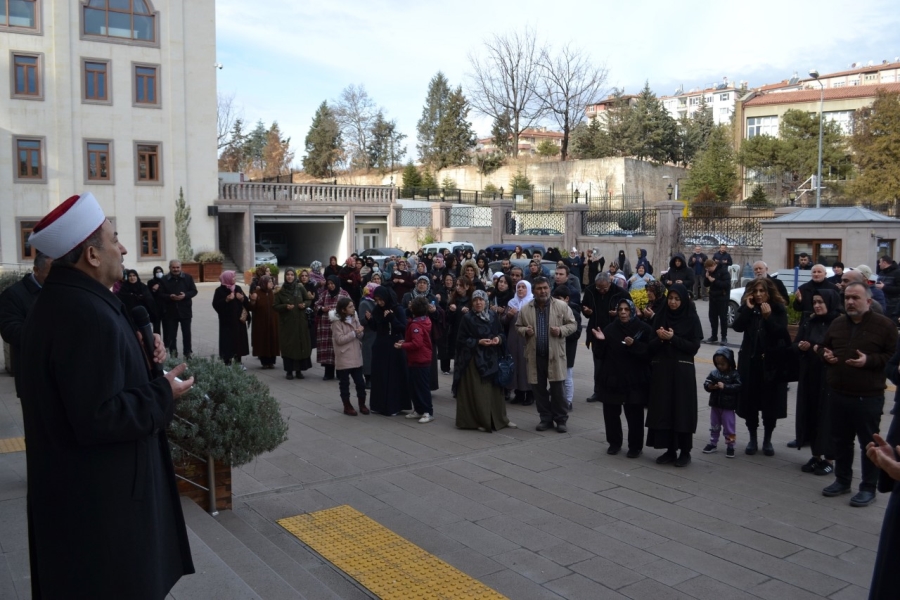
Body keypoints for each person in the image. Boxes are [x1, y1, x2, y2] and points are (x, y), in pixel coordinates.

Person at [20, 191, 194, 598]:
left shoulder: (70, 302)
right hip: (103, 509)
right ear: (92, 256)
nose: (124, 248)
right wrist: (163, 392)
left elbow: (95, 382)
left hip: (81, 500)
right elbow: (99, 414)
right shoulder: (84, 314)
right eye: (114, 239)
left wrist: (143, 359)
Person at [818, 282, 897, 507]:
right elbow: (824, 347)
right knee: (841, 440)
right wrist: (826, 356)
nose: (850, 302)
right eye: (847, 298)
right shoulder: (838, 323)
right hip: (838, 393)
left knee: (869, 444)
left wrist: (869, 361)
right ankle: (842, 480)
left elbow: (892, 357)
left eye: (856, 298)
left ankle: (868, 487)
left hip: (867, 396)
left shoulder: (885, 326)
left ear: (869, 301)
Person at [732, 277, 791, 456]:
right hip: (750, 362)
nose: (758, 295)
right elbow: (737, 327)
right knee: (750, 401)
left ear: (768, 292)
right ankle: (752, 438)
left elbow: (782, 333)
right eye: (755, 291)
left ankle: (767, 439)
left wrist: (768, 318)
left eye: (762, 291)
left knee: (770, 403)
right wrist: (748, 311)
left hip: (771, 364)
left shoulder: (777, 308)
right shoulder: (748, 308)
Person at [646, 283, 703, 466]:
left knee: (682, 410)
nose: (673, 302)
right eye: (670, 298)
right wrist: (661, 339)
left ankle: (685, 452)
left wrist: (673, 339)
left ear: (683, 300)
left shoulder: (691, 318)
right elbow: (650, 345)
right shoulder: (661, 316)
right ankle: (670, 450)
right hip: (663, 370)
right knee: (665, 409)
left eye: (677, 299)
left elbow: (693, 347)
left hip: (682, 372)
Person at [591, 298, 653, 457]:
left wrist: (634, 345)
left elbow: (649, 354)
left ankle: (635, 446)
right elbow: (600, 355)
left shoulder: (643, 329)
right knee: (611, 413)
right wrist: (600, 341)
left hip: (635, 380)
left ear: (632, 311)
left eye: (626, 309)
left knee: (635, 415)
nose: (623, 312)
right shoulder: (610, 329)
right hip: (613, 378)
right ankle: (614, 442)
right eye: (620, 310)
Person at [516, 277, 577, 433]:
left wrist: (561, 331)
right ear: (534, 291)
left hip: (555, 355)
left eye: (545, 288)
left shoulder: (561, 306)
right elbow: (518, 326)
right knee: (539, 390)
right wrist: (525, 331)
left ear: (549, 289)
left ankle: (561, 419)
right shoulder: (526, 309)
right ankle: (545, 419)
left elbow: (573, 324)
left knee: (558, 390)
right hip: (535, 356)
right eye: (539, 288)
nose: (542, 291)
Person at [793, 289, 840, 475]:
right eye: (814, 302)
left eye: (821, 302)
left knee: (827, 417)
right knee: (810, 413)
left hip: (829, 378)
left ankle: (829, 458)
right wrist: (801, 347)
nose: (817, 305)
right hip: (810, 375)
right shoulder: (810, 321)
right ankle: (816, 456)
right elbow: (796, 344)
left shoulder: (838, 322)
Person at [455, 290, 515, 432]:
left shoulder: (493, 316)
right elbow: (460, 340)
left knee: (495, 392)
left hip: (492, 358)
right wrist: (478, 342)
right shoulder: (467, 318)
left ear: (486, 301)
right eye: (475, 300)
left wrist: (498, 339)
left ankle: (501, 419)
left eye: (481, 300)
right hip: (474, 361)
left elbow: (501, 333)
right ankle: (479, 421)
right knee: (479, 392)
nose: (478, 302)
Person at [0, 251, 50, 396]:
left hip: (58, 375)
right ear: (36, 270)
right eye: (49, 274)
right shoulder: (13, 295)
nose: (55, 279)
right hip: (33, 377)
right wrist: (49, 334)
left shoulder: (59, 291)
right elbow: (10, 331)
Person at [582, 272, 630, 403]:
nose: (601, 291)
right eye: (599, 288)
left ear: (610, 283)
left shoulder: (620, 292)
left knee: (616, 363)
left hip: (615, 333)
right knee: (599, 364)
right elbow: (584, 306)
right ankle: (598, 391)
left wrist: (618, 313)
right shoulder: (590, 291)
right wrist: (586, 311)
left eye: (604, 288)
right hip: (596, 333)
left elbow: (629, 308)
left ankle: (618, 391)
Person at [367, 286, 411, 416]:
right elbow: (376, 326)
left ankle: (394, 405)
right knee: (380, 376)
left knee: (393, 376)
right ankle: (379, 404)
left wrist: (392, 318)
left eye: (381, 300)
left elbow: (403, 328)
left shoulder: (397, 309)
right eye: (377, 300)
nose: (379, 303)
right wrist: (370, 320)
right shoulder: (377, 309)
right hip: (380, 346)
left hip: (394, 346)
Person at [396, 296, 435, 423]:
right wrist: (406, 341)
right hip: (417, 359)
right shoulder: (424, 321)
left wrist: (403, 345)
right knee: (415, 386)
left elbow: (417, 344)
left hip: (420, 360)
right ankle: (419, 409)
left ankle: (427, 411)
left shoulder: (415, 325)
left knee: (421, 387)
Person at [273, 268, 314, 380]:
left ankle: (299, 371)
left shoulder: (300, 287)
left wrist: (304, 305)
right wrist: (285, 307)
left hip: (301, 323)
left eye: (292, 275)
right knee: (289, 346)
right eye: (288, 275)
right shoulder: (281, 291)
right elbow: (275, 306)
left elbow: (308, 299)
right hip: (287, 324)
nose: (290, 277)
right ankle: (289, 371)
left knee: (300, 345)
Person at [330, 296, 368, 416]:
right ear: (343, 310)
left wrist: (360, 332)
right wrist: (354, 333)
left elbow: (360, 336)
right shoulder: (337, 322)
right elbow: (339, 339)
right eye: (350, 307)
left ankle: (362, 404)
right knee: (344, 383)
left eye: (353, 306)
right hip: (344, 356)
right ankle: (347, 406)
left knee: (360, 383)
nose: (353, 308)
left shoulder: (354, 318)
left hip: (356, 355)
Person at [702, 347, 742, 458]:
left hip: (728, 406)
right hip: (715, 405)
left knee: (729, 427)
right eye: (718, 364)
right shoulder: (714, 373)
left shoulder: (734, 374)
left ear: (729, 362)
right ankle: (713, 442)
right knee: (714, 425)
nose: (720, 366)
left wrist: (725, 387)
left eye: (723, 364)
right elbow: (707, 382)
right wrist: (710, 386)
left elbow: (738, 386)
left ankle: (730, 445)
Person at [157, 259, 197, 358]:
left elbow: (194, 291)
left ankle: (187, 353)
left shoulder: (188, 278)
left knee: (187, 334)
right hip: (170, 311)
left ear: (181, 267)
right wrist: (170, 296)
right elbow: (160, 294)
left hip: (185, 310)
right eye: (173, 267)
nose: (176, 269)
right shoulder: (164, 279)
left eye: (177, 267)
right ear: (170, 268)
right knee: (171, 335)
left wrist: (186, 295)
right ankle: (173, 354)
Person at [552, 285, 582, 412]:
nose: (556, 302)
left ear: (567, 299)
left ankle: (568, 401)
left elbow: (576, 333)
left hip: (568, 349)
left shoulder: (573, 313)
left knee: (567, 376)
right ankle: (558, 399)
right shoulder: (553, 311)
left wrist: (560, 332)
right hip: (555, 348)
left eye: (559, 298)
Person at [211, 270, 250, 367]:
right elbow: (216, 304)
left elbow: (246, 302)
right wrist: (226, 300)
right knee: (227, 341)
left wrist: (242, 299)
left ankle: (238, 362)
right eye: (233, 277)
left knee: (239, 341)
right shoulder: (220, 291)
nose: (235, 279)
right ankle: (227, 362)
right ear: (227, 278)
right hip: (227, 323)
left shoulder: (238, 288)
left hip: (239, 321)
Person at [314, 275, 350, 380]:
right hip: (326, 325)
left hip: (339, 326)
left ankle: (341, 372)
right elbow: (316, 305)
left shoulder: (344, 294)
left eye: (332, 283)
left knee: (339, 348)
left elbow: (350, 307)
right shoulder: (324, 294)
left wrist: (341, 312)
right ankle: (328, 373)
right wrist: (322, 309)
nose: (330, 286)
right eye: (328, 284)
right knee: (328, 349)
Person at [506, 280, 534, 405]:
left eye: (523, 287)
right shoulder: (512, 303)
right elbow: (503, 322)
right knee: (516, 366)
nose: (520, 289)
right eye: (518, 287)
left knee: (527, 367)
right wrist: (508, 316)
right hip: (513, 338)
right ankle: (518, 393)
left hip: (527, 339)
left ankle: (530, 394)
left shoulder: (532, 303)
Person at [446, 275, 475, 382]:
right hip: (456, 333)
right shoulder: (453, 299)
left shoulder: (472, 300)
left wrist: (470, 312)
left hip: (469, 334)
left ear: (467, 287)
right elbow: (448, 319)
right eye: (457, 285)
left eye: (460, 285)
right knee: (458, 360)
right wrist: (452, 311)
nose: (457, 287)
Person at [249, 275, 280, 369]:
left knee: (273, 339)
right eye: (269, 281)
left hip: (273, 322)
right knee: (263, 340)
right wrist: (253, 301)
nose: (271, 283)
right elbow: (251, 308)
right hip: (261, 323)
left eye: (272, 281)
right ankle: (264, 362)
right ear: (263, 283)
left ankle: (272, 361)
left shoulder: (274, 293)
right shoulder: (256, 293)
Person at [702, 258, 732, 345]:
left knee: (723, 318)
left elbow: (726, 285)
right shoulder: (710, 273)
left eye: (709, 268)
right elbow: (705, 284)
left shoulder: (723, 272)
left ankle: (724, 337)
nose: (708, 270)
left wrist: (714, 281)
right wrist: (707, 277)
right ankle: (714, 336)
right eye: (707, 269)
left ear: (713, 265)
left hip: (722, 298)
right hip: (713, 298)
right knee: (713, 318)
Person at [147, 265, 165, 334]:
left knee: (167, 328)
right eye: (157, 272)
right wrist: (153, 289)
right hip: (156, 307)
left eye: (160, 271)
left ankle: (167, 344)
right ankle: (157, 342)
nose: (159, 273)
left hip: (165, 307)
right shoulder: (151, 282)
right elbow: (149, 294)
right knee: (156, 327)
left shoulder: (166, 281)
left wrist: (159, 285)